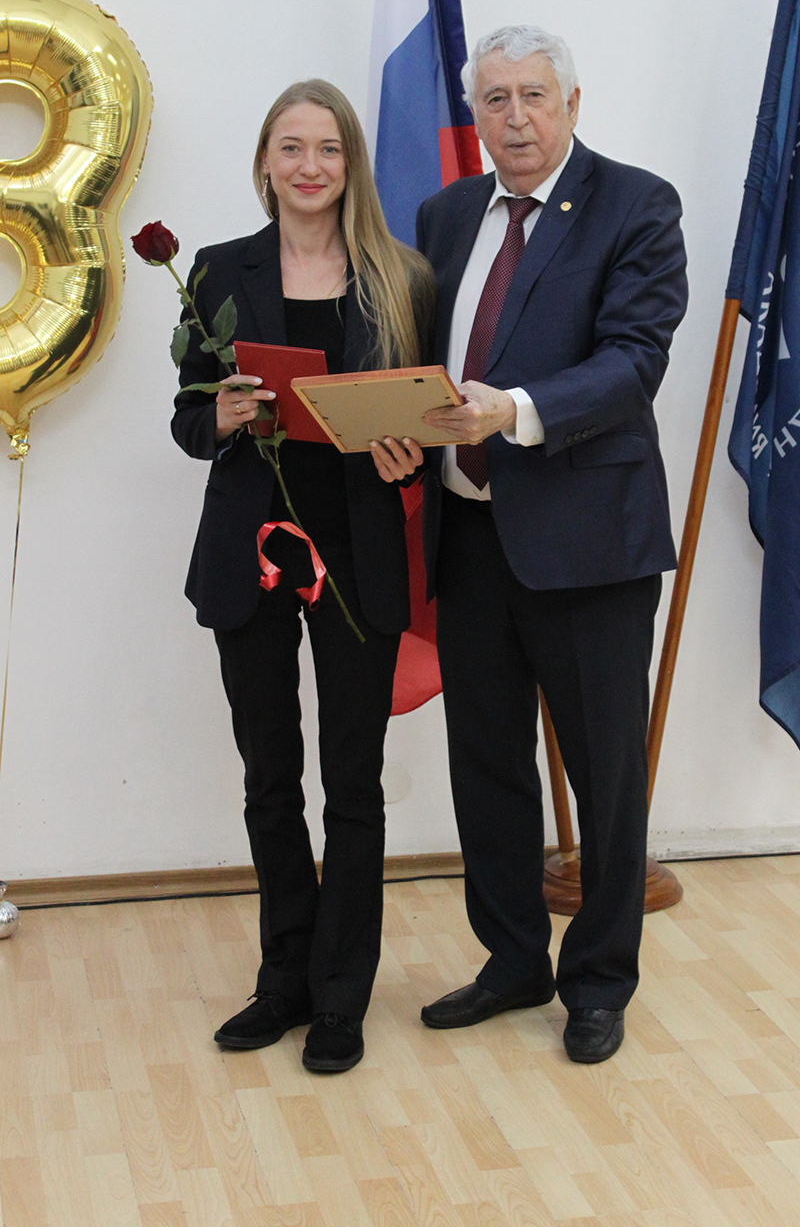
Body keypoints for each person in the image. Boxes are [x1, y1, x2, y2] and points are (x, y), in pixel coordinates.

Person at [385, 25, 689, 1063]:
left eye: (533, 96)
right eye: (495, 99)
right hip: (469, 535)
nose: (514, 118)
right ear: (474, 112)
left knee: (606, 776)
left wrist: (510, 410)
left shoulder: (635, 205)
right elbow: (423, 359)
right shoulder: (446, 213)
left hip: (590, 544)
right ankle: (512, 960)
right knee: (487, 764)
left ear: (572, 104)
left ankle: (598, 981)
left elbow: (633, 361)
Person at [172, 79, 433, 1073]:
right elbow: (188, 419)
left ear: (350, 162)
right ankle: (282, 980)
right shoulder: (216, 271)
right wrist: (222, 416)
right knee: (270, 779)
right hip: (252, 553)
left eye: (328, 148)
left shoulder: (402, 277)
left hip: (358, 556)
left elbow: (424, 417)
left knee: (353, 783)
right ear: (266, 162)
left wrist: (408, 457)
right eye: (292, 148)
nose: (310, 166)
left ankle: (340, 993)